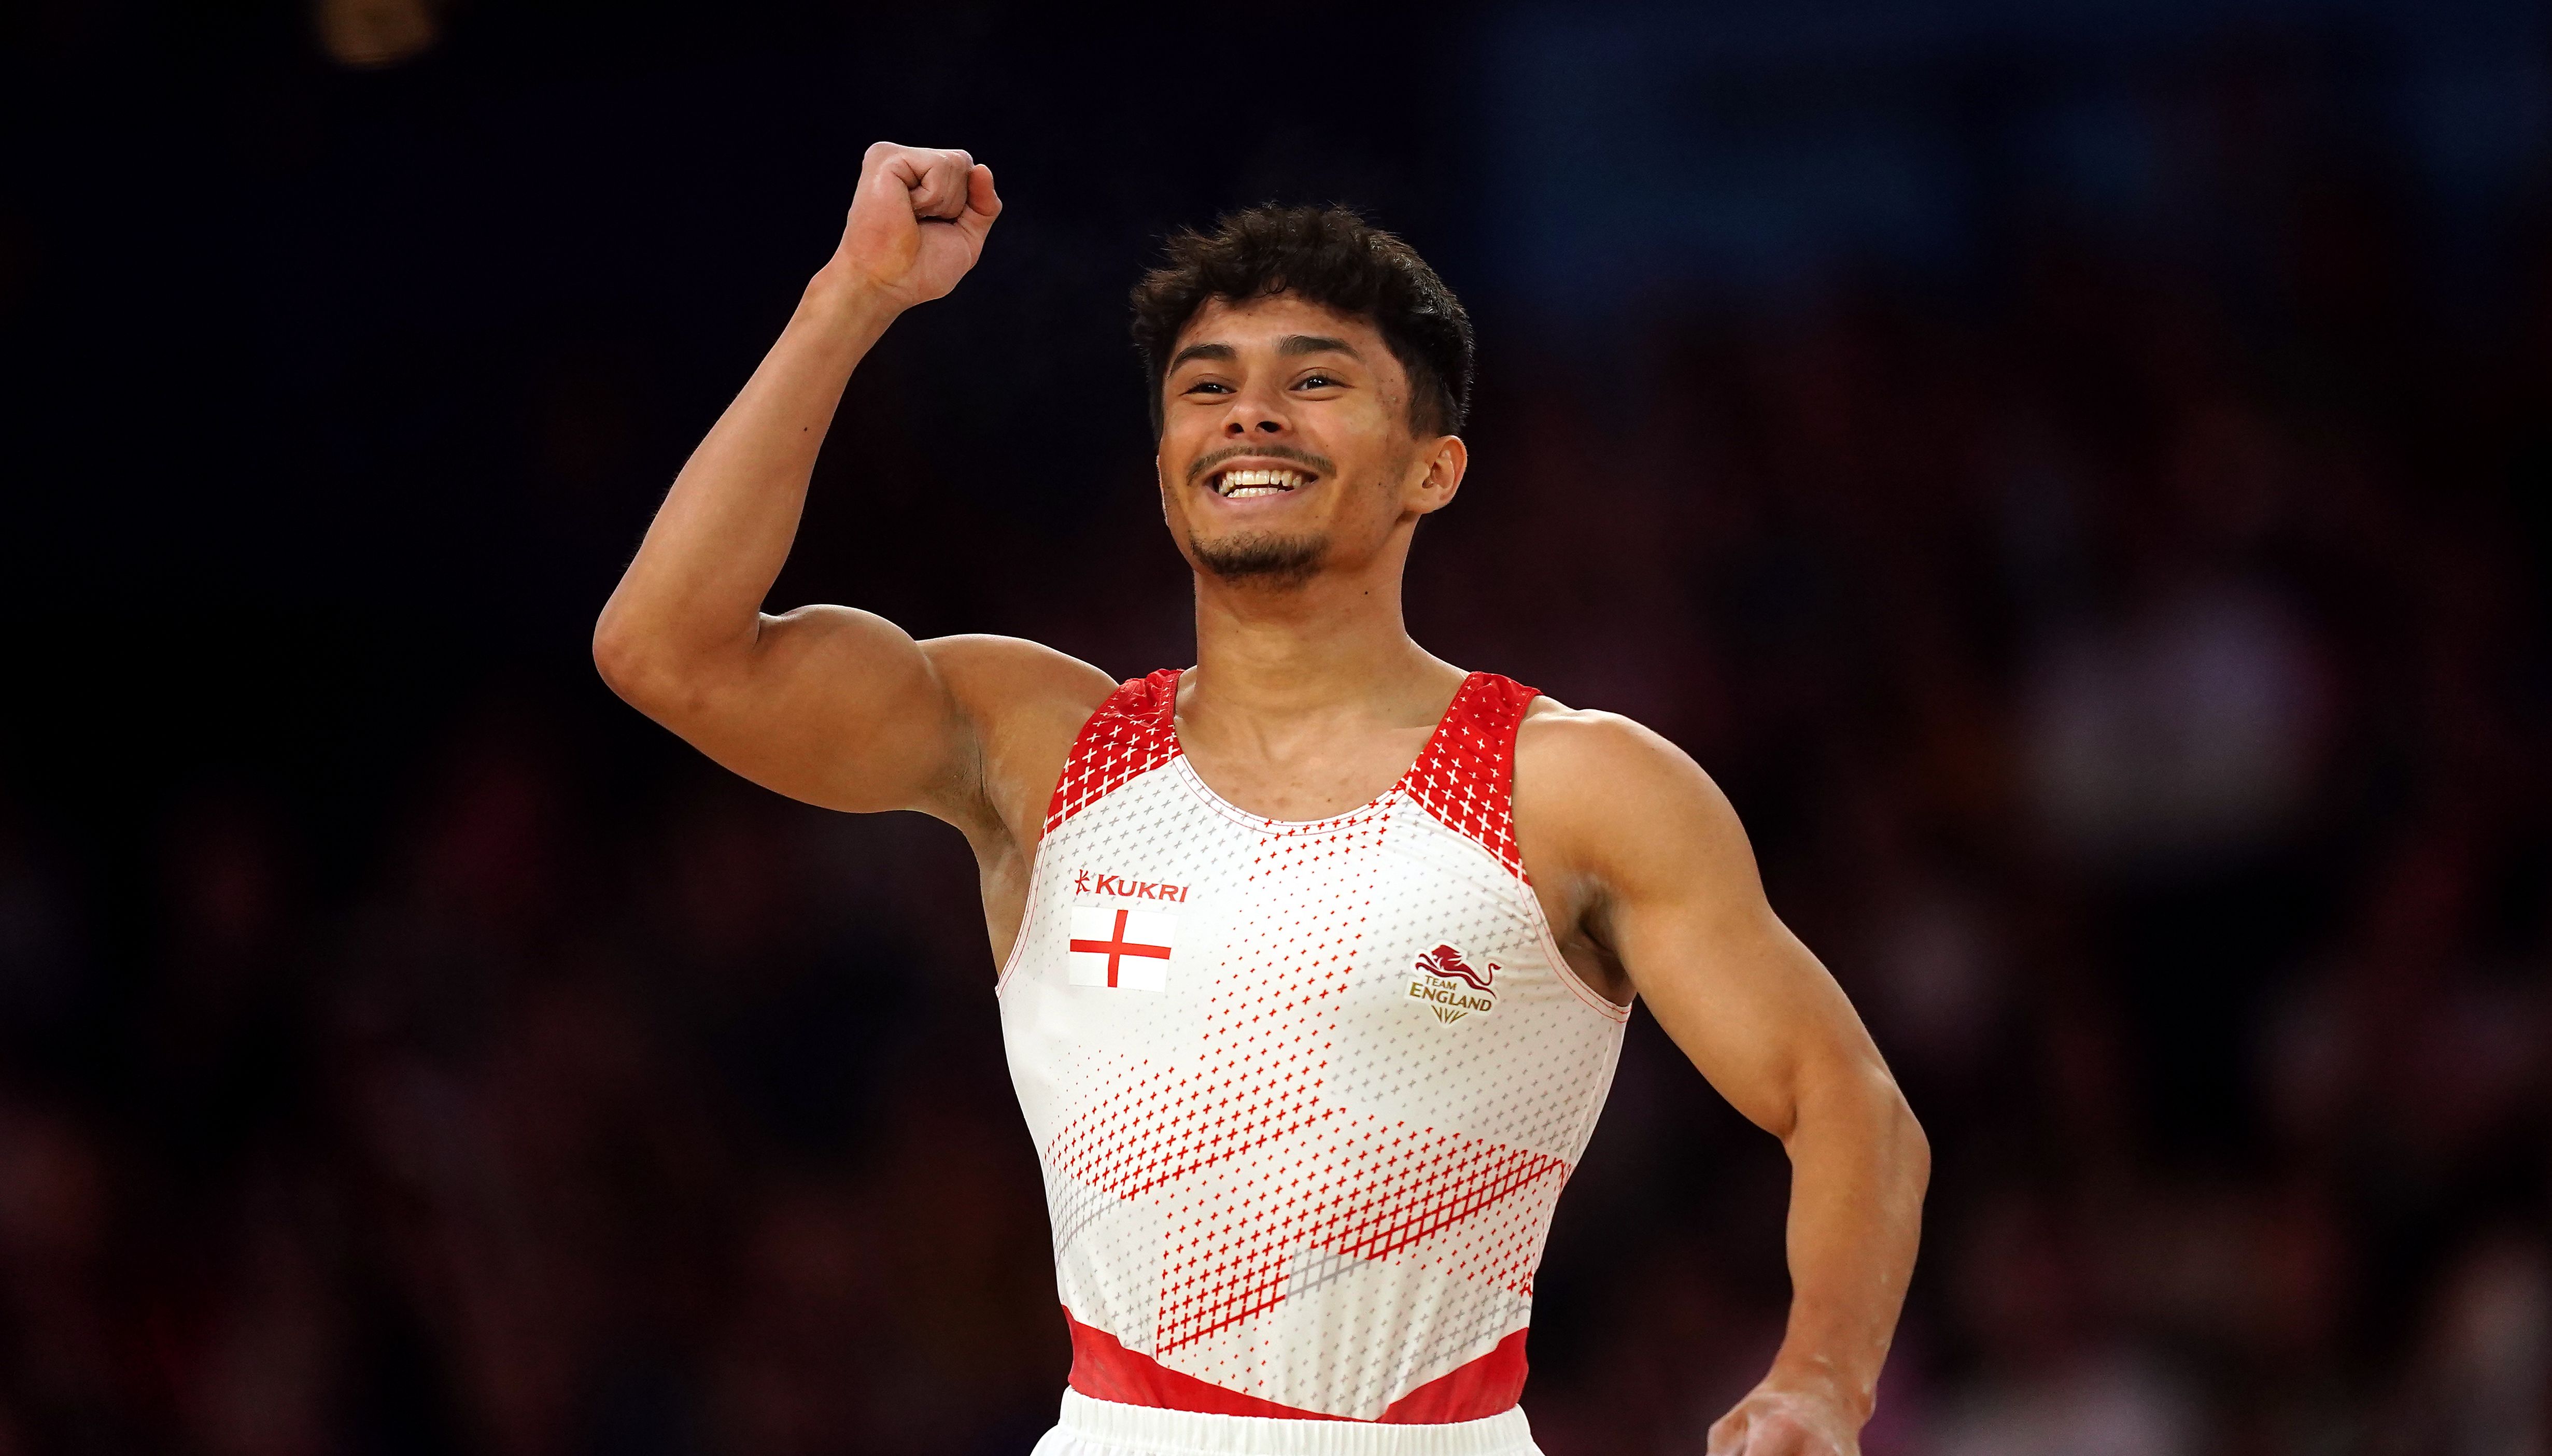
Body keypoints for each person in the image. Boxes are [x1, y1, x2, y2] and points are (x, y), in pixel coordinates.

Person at [594, 142, 1928, 1456]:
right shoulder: (1043, 749)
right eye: (1206, 385)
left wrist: (1820, 1379)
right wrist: (852, 297)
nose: (1249, 414)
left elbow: (1842, 1096)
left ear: (1432, 469)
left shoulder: (1565, 785)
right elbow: (669, 652)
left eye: (1317, 381)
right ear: (1165, 475)